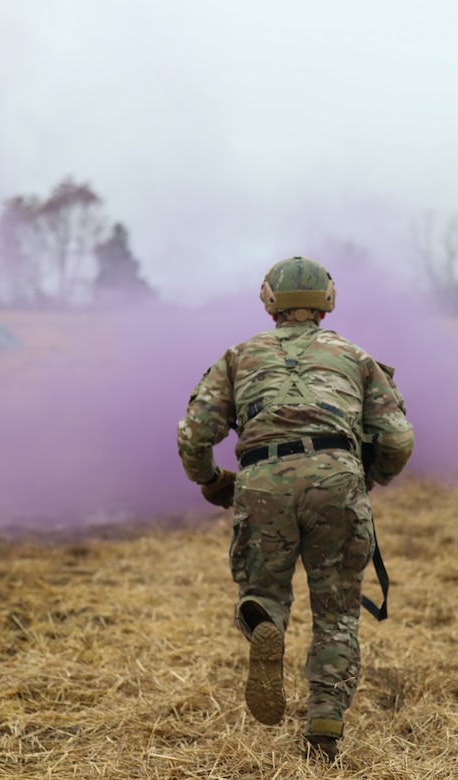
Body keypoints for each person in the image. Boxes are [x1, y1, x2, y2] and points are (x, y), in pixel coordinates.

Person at [176, 256, 414, 763]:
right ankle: (325, 722)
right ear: (328, 300)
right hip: (337, 476)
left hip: (263, 480)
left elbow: (193, 434)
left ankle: (266, 622)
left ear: (269, 301)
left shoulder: (239, 357)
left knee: (264, 589)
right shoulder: (355, 357)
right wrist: (368, 479)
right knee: (336, 609)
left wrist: (211, 481)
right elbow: (398, 438)